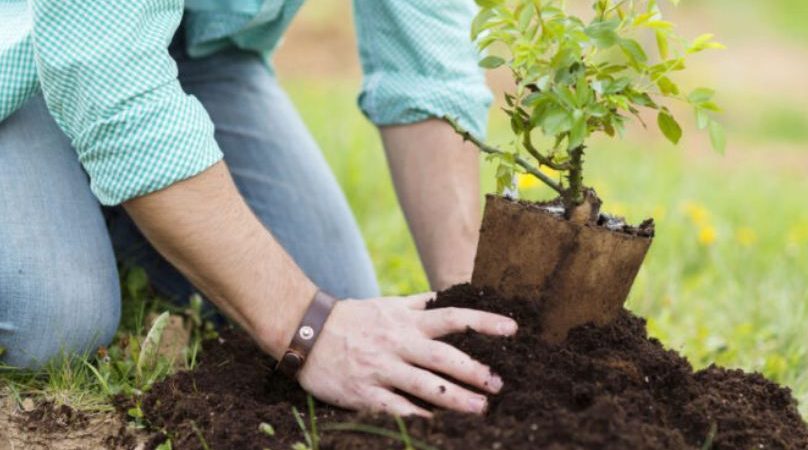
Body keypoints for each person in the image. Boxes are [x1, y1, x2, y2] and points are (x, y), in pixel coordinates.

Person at [0, 1, 518, 416]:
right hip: (23, 42)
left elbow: (425, 51)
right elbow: (103, 69)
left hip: (200, 49)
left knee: (338, 296)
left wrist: (471, 308)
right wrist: (308, 330)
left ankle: (109, 189)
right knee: (54, 321)